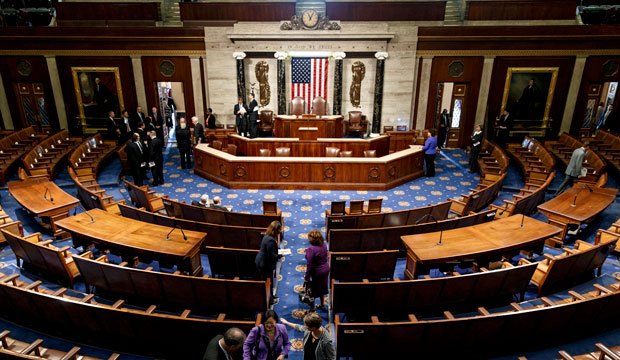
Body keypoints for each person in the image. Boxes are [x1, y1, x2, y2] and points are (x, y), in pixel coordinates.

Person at [255, 221, 283, 305]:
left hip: (264, 261)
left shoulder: (267, 236)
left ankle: (271, 296)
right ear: (275, 230)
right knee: (268, 281)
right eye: (279, 229)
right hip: (265, 264)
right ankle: (270, 300)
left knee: (269, 280)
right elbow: (271, 255)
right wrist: (280, 256)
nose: (280, 231)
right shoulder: (270, 240)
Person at [304, 230, 330, 312]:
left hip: (317, 272)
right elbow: (319, 253)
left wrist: (306, 277)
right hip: (326, 269)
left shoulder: (311, 249)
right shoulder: (324, 245)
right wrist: (308, 251)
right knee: (322, 287)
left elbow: (310, 265)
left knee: (312, 290)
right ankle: (322, 305)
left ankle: (312, 308)